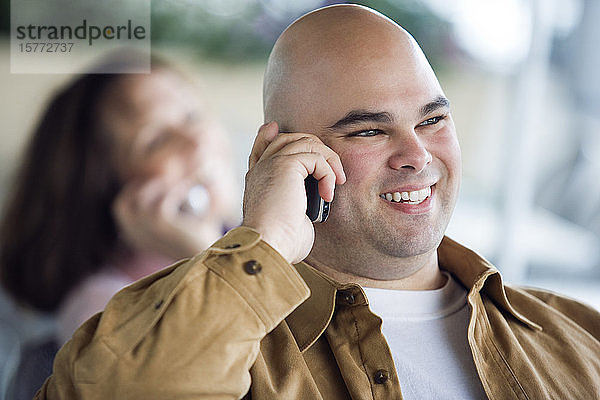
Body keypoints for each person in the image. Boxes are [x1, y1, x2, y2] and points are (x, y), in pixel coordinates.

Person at [36, 5, 600, 399]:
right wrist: (266, 240)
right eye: (368, 131)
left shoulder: (580, 334)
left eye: (433, 119)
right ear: (286, 156)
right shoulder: (172, 334)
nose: (416, 154)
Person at [0, 52, 238, 399]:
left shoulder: (249, 237)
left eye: (192, 115)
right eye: (156, 139)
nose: (197, 140)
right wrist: (202, 257)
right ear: (107, 190)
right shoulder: (102, 309)